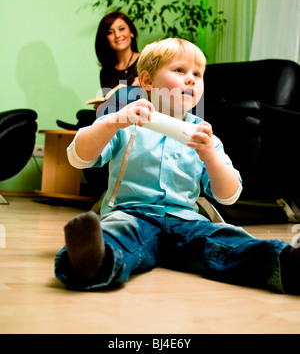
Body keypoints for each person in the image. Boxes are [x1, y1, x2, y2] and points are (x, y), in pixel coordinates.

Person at [55, 38, 300, 294]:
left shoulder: (206, 138)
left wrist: (211, 158)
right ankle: (92, 260)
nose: (191, 79)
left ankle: (287, 265)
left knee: (225, 241)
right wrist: (113, 121)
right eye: (180, 71)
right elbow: (78, 157)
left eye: (198, 74)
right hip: (133, 215)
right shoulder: (124, 123)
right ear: (148, 81)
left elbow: (228, 196)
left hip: (188, 222)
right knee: (117, 233)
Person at [95, 11, 140, 91]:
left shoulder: (145, 62)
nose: (117, 35)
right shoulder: (106, 72)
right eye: (110, 32)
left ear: (131, 32)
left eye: (121, 29)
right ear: (105, 39)